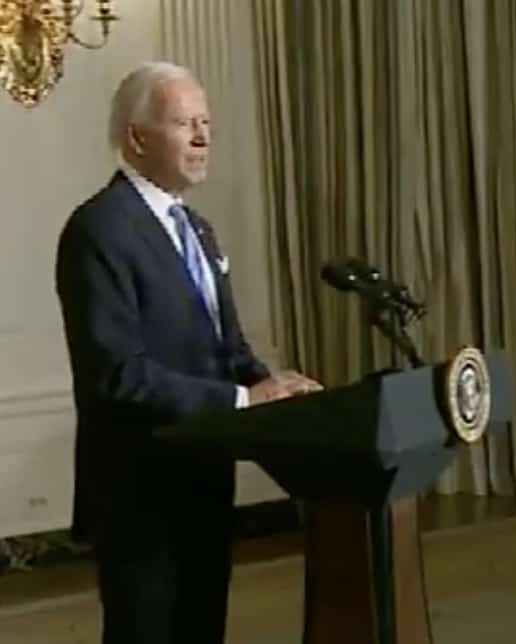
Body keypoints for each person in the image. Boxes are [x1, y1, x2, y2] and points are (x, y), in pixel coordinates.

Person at [53, 62, 322, 644]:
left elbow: (227, 348)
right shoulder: (99, 230)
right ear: (137, 137)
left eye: (207, 123)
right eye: (185, 124)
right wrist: (242, 399)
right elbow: (116, 376)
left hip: (204, 481)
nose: (203, 138)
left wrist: (279, 391)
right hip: (139, 497)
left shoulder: (196, 229)